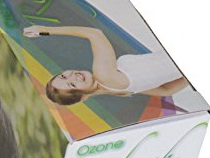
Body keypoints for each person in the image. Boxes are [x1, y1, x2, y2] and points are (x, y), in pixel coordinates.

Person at [23, 25, 189, 106]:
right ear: (82, 97)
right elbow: (94, 34)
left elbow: (166, 90)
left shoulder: (118, 90)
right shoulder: (104, 77)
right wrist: (45, 30)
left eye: (63, 76)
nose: (73, 76)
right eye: (72, 84)